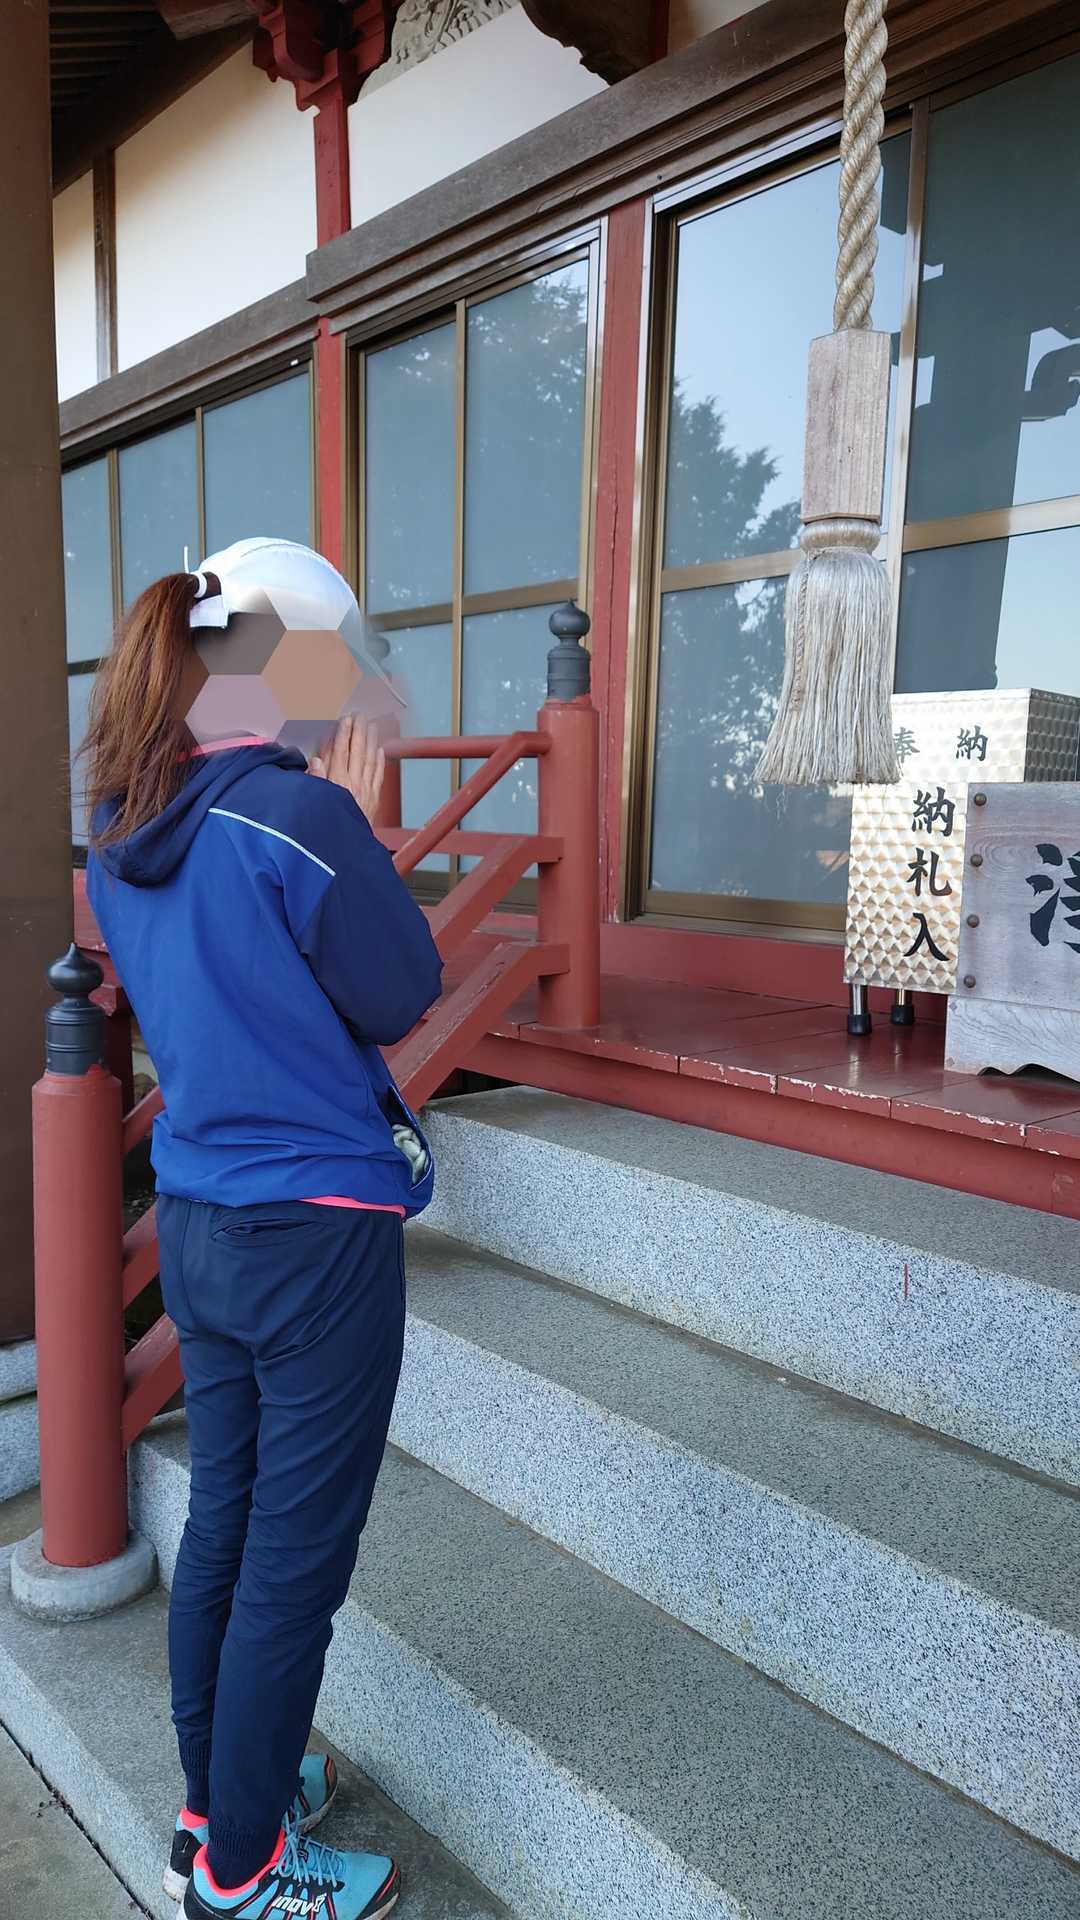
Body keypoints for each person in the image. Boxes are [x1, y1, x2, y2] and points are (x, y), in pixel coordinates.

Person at [84, 539, 443, 1920]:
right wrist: (351, 823)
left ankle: (218, 1805)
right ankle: (242, 1872)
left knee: (226, 1526)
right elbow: (399, 989)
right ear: (272, 666)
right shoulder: (299, 816)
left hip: (200, 1223)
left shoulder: (123, 823)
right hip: (318, 1237)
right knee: (295, 1558)